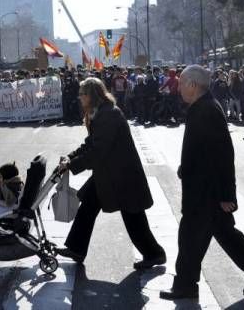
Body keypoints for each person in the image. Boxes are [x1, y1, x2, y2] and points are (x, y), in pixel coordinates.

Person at [160, 65, 244, 300]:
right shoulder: (202, 107)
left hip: (206, 191)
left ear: (193, 85)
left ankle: (185, 285)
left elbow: (223, 155)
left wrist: (227, 195)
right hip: (205, 187)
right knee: (226, 235)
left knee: (190, 236)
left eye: (182, 83)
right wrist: (187, 167)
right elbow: (202, 150)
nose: (178, 87)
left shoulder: (207, 110)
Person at [56, 77, 166, 269]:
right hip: (109, 174)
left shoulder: (108, 115)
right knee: (88, 206)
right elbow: (91, 143)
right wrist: (71, 157)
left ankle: (155, 254)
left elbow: (98, 151)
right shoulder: (100, 112)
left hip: (122, 176)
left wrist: (72, 165)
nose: (79, 97)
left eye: (82, 94)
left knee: (133, 217)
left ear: (91, 95)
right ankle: (76, 248)